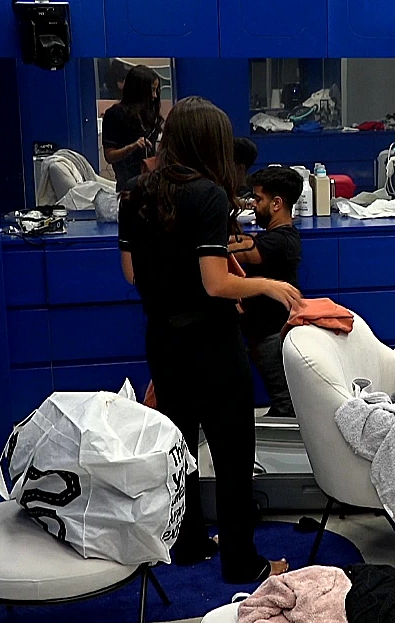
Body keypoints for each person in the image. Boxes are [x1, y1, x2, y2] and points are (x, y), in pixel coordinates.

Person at [118, 96, 299, 582]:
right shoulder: (208, 196)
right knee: (233, 451)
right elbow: (216, 284)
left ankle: (191, 541)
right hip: (212, 345)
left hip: (162, 339)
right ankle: (241, 562)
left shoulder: (134, 193)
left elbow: (132, 273)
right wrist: (267, 285)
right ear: (210, 143)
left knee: (180, 447)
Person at [229, 167, 303, 419]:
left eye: (258, 199)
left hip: (272, 335)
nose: (254, 205)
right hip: (263, 333)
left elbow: (236, 249)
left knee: (285, 402)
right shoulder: (275, 236)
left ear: (276, 203)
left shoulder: (281, 242)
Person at [103, 65, 163, 191]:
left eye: (156, 90)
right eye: (152, 90)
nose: (154, 96)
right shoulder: (115, 115)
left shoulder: (150, 115)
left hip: (151, 181)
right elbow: (109, 155)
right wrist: (132, 147)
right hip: (128, 184)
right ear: (140, 90)